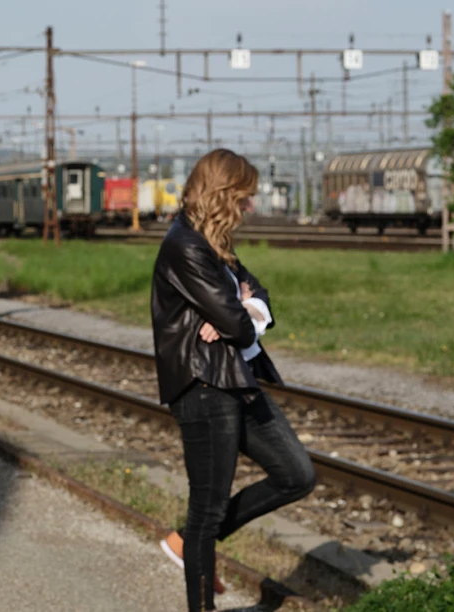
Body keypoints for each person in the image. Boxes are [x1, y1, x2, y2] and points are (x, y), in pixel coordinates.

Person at [150, 149, 318, 611]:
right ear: (222, 193)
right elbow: (240, 326)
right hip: (204, 387)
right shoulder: (185, 246)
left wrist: (243, 306)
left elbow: (256, 301)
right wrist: (238, 313)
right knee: (207, 510)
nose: (250, 206)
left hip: (235, 379)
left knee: (296, 474)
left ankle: (185, 542)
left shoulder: (215, 244)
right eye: (244, 196)